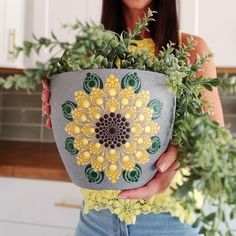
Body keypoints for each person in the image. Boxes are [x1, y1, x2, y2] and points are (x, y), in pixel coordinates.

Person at [41, 0, 224, 235]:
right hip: (96, 221)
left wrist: (179, 156)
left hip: (169, 223)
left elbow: (214, 144)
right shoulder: (84, 54)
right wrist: (58, 100)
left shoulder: (191, 49)